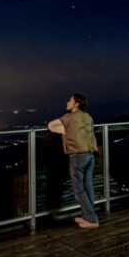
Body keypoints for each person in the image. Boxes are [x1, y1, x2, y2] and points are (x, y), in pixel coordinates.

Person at [48, 93, 100, 228]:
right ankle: (87, 215)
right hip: (90, 154)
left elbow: (51, 126)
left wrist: (65, 131)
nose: (67, 102)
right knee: (88, 186)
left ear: (76, 103)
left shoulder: (69, 117)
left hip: (77, 156)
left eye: (70, 100)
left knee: (78, 189)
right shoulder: (87, 116)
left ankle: (92, 219)